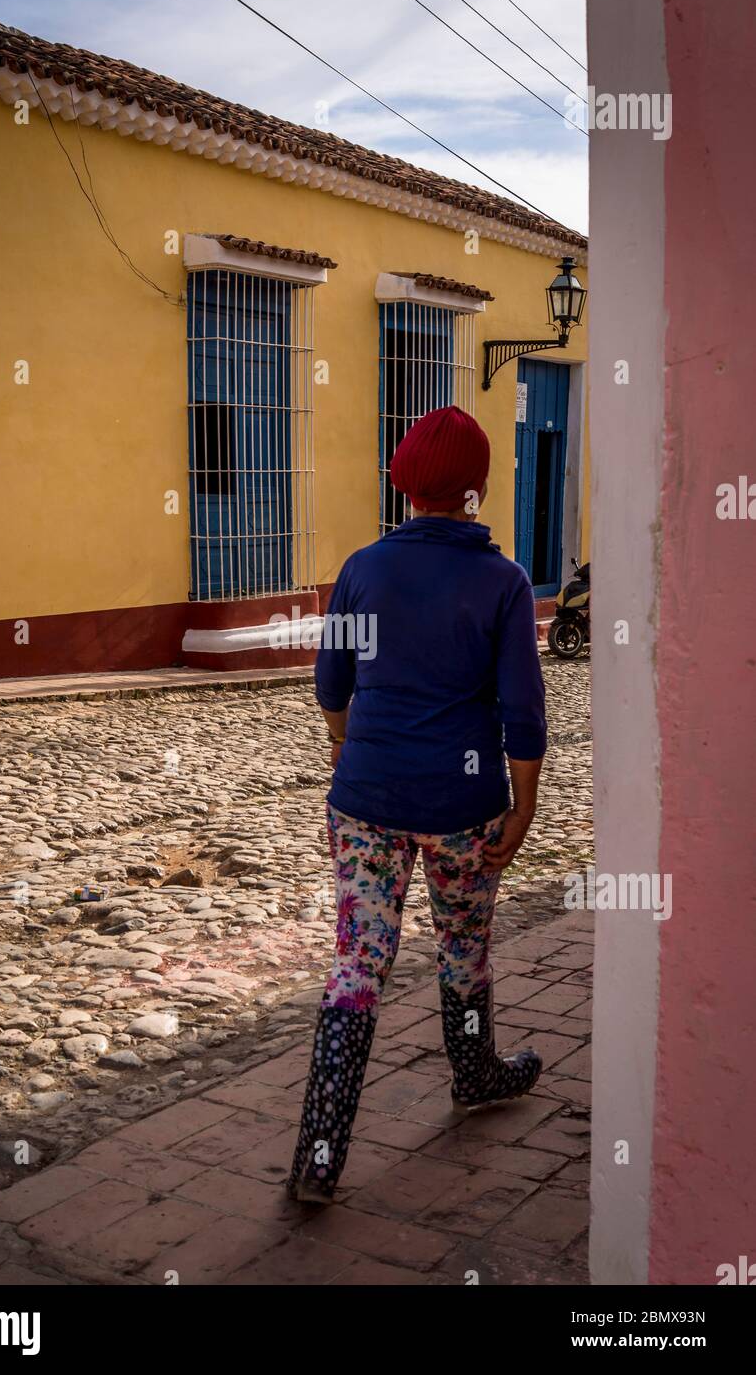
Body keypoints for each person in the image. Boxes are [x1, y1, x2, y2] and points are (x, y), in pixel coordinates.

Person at [286, 405, 547, 1204]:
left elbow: (332, 684)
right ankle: (474, 1074)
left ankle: (320, 1156)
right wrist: (523, 806)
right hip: (462, 806)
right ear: (476, 488)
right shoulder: (501, 582)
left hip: (365, 801)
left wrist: (343, 746)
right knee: (463, 951)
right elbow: (522, 712)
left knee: (355, 969)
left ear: (401, 480)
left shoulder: (363, 567)